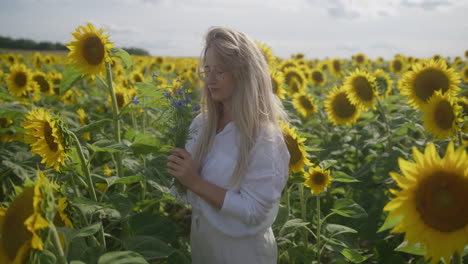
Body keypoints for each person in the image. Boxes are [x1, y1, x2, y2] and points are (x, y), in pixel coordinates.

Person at [166, 26, 290, 264]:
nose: (210, 80)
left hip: (243, 254)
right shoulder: (202, 124)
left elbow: (255, 211)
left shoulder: (264, 138)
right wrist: (178, 173)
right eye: (207, 70)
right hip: (203, 246)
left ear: (244, 74)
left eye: (220, 71)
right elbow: (185, 195)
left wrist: (195, 182)